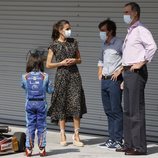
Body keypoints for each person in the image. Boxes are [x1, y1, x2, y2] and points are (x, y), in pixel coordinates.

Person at [116, 2, 157, 155]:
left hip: (136, 72)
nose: (125, 15)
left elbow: (152, 46)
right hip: (128, 73)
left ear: (135, 13)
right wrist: (124, 75)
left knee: (136, 111)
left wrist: (142, 62)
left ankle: (139, 147)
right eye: (124, 12)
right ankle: (129, 144)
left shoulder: (141, 30)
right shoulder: (131, 31)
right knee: (127, 110)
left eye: (127, 12)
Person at [46, 20, 87, 147]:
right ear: (60, 30)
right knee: (61, 104)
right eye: (67, 28)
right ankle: (62, 134)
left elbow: (80, 60)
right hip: (61, 76)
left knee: (76, 104)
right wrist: (61, 63)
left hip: (74, 76)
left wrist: (75, 60)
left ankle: (76, 135)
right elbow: (48, 64)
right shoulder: (54, 45)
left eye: (70, 28)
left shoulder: (73, 42)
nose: (69, 30)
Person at [21, 49, 54, 157]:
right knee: (41, 126)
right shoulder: (45, 76)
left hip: (30, 103)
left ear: (29, 63)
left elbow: (23, 87)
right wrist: (52, 85)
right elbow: (50, 91)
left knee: (30, 126)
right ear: (40, 64)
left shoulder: (25, 76)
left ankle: (29, 150)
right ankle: (42, 149)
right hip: (41, 104)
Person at [97, 19, 124, 149]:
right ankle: (111, 139)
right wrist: (100, 73)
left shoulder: (119, 43)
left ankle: (119, 140)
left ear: (110, 31)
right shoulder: (104, 44)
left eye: (103, 31)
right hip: (105, 80)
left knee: (116, 110)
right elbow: (101, 60)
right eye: (100, 31)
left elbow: (127, 59)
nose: (101, 33)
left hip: (114, 81)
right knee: (108, 111)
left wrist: (120, 71)